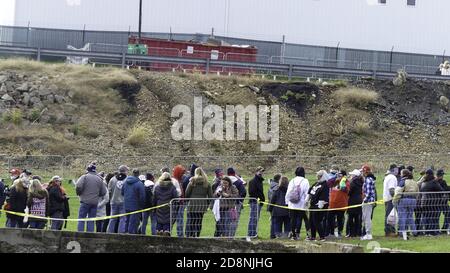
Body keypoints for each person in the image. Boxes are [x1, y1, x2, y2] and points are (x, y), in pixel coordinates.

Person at [76, 163, 107, 232]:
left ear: (88, 170)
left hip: (84, 201)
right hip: (94, 203)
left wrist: (79, 193)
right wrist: (97, 195)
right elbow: (103, 192)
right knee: (91, 220)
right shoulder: (99, 179)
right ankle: (90, 234)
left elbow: (78, 186)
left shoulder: (84, 177)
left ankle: (80, 234)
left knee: (81, 219)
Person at [185, 167, 213, 237]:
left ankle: (191, 235)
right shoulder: (207, 183)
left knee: (192, 221)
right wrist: (207, 204)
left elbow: (187, 193)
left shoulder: (192, 182)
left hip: (192, 204)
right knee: (199, 221)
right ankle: (197, 235)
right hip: (202, 204)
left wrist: (188, 200)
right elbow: (210, 196)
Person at [393, 169, 419, 240]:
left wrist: (394, 200)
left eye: (401, 173)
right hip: (413, 200)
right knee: (410, 216)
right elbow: (417, 192)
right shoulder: (414, 182)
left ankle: (402, 232)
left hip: (404, 200)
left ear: (403, 174)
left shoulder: (402, 182)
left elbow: (398, 192)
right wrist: (415, 200)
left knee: (402, 216)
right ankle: (414, 232)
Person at [286, 167, 310, 240]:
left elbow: (288, 192)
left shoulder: (292, 180)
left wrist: (287, 202)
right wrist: (306, 202)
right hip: (301, 203)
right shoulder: (305, 181)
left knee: (293, 219)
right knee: (300, 218)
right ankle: (298, 233)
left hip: (292, 204)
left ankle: (293, 235)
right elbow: (307, 193)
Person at [306, 170, 329, 242]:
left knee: (317, 221)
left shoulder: (325, 185)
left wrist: (320, 206)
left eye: (319, 176)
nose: (317, 177)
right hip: (312, 205)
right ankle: (312, 236)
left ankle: (322, 236)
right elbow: (310, 192)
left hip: (319, 206)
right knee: (311, 221)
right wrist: (306, 200)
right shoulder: (316, 183)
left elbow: (324, 196)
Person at [419, 169, 444, 236]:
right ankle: (433, 232)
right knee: (434, 218)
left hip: (424, 203)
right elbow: (441, 190)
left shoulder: (423, 182)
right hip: (433, 202)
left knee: (427, 218)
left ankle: (427, 232)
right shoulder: (434, 182)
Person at [122, 169, 146, 234]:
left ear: (132, 173)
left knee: (127, 221)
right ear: (138, 174)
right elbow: (142, 197)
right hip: (136, 206)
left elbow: (122, 192)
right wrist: (142, 205)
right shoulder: (139, 184)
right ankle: (131, 236)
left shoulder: (125, 182)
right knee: (134, 222)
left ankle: (125, 234)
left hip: (127, 204)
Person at [327, 170, 349, 238]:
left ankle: (339, 232)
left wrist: (342, 181)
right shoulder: (335, 181)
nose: (339, 176)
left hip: (341, 204)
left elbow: (346, 190)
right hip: (333, 204)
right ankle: (331, 233)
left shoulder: (346, 182)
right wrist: (335, 178)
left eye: (340, 174)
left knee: (340, 219)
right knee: (330, 218)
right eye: (338, 174)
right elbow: (328, 183)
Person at [107, 166, 129, 233]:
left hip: (113, 201)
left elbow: (109, 191)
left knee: (112, 218)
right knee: (123, 219)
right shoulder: (127, 179)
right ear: (125, 171)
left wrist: (111, 199)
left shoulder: (112, 179)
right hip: (123, 201)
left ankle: (109, 232)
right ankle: (121, 233)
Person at [227, 167, 247, 237]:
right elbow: (244, 192)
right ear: (234, 173)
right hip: (236, 203)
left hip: (225, 204)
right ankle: (231, 236)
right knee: (234, 220)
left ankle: (224, 235)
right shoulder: (238, 182)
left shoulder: (224, 181)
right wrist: (240, 200)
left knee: (226, 220)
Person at [247, 166, 265, 239]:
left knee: (256, 219)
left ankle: (254, 233)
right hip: (254, 202)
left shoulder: (260, 181)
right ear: (256, 172)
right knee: (253, 219)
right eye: (260, 171)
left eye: (262, 171)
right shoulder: (253, 181)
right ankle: (251, 233)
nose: (261, 173)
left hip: (259, 202)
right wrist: (258, 198)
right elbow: (251, 192)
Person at [361, 164, 376, 240]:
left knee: (367, 218)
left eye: (362, 171)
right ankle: (367, 233)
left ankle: (368, 234)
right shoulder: (368, 179)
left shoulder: (368, 180)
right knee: (365, 218)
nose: (362, 173)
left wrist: (364, 201)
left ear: (365, 172)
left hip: (368, 202)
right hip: (368, 201)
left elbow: (369, 192)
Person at [347, 169, 364, 238]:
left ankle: (352, 233)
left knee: (351, 218)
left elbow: (349, 192)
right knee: (357, 218)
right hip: (359, 200)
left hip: (352, 201)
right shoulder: (361, 182)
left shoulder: (353, 182)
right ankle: (357, 232)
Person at [383, 164, 398, 237]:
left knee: (388, 215)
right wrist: (395, 198)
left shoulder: (387, 176)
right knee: (390, 216)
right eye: (397, 169)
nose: (398, 171)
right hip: (390, 199)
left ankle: (388, 231)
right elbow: (391, 190)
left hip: (387, 199)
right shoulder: (392, 177)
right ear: (394, 169)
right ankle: (389, 231)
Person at [171, 165, 186, 237]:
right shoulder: (174, 181)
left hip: (180, 203)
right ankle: (168, 231)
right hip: (175, 203)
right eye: (182, 173)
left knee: (180, 219)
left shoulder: (180, 180)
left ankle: (180, 234)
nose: (183, 175)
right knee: (172, 219)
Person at [268, 174, 281, 239]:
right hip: (275, 206)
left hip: (271, 205)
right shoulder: (276, 187)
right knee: (275, 221)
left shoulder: (271, 185)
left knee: (273, 221)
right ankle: (275, 235)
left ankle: (272, 235)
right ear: (279, 179)